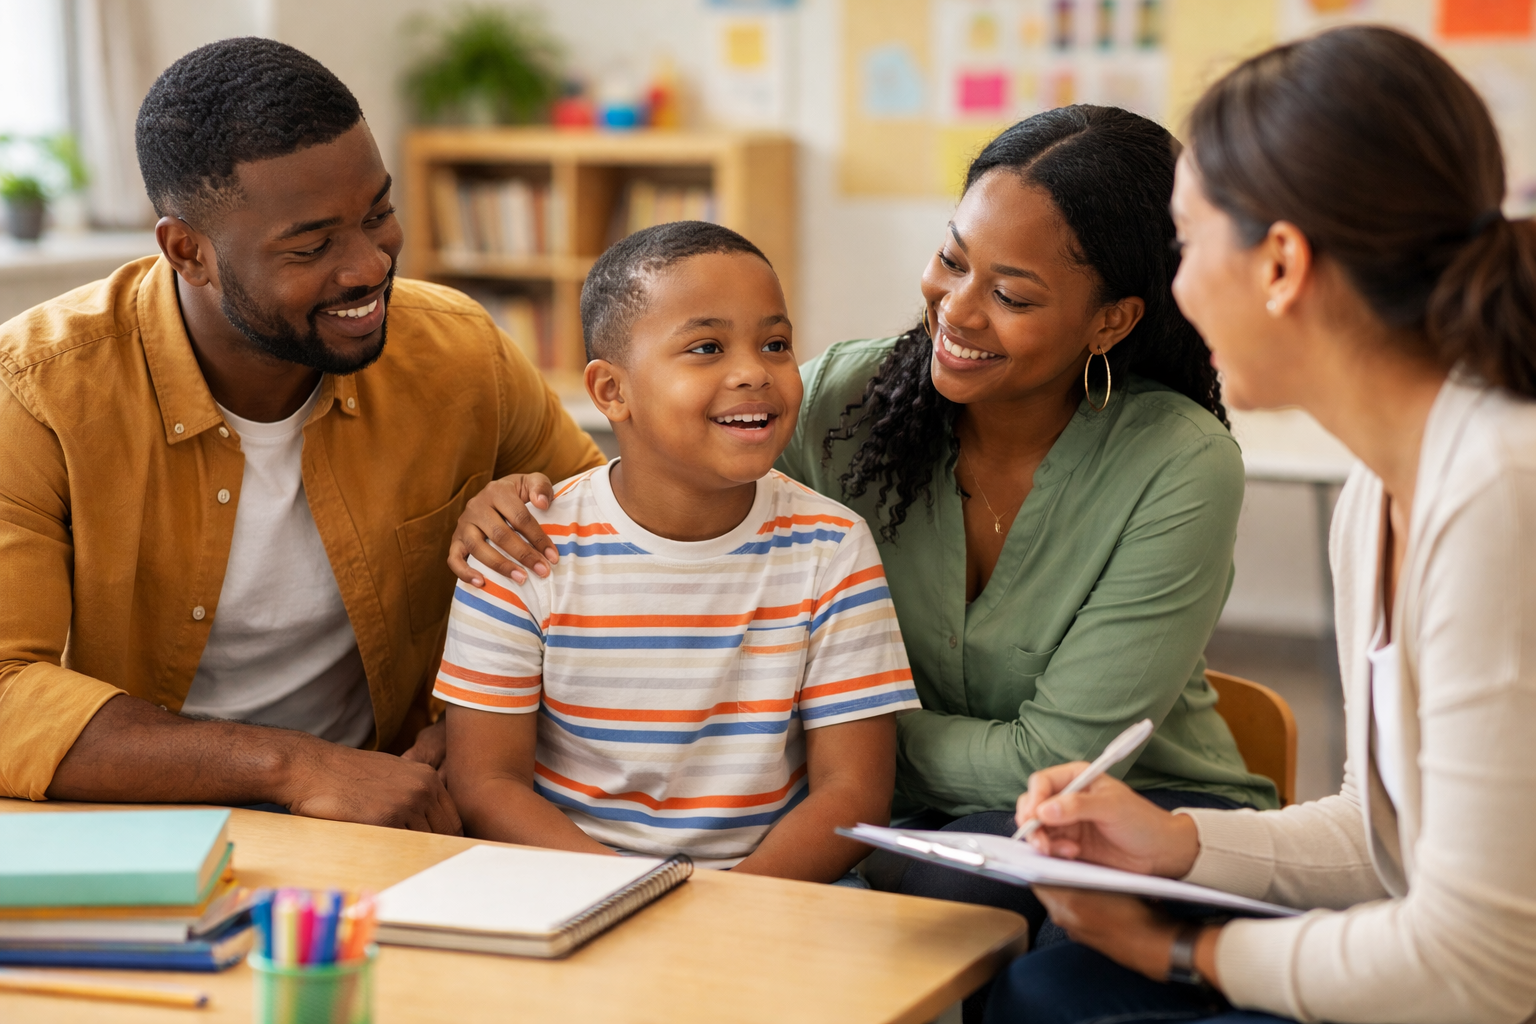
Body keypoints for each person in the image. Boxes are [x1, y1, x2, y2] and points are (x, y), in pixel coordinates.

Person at [447, 106, 1275, 947]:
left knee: (969, 931)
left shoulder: (1177, 463)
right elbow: (682, 485)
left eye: (1011, 294)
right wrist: (521, 505)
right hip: (899, 834)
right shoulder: (847, 399)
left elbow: (1044, 764)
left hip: (1126, 806)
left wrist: (850, 738)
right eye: (952, 259)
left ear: (1111, 320)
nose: (956, 309)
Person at [985, 26, 1536, 1024]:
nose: (1179, 290)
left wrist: (1182, 950)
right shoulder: (1383, 486)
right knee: (1044, 984)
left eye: (1189, 245)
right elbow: (1387, 838)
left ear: (1281, 263)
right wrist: (1174, 842)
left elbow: (1484, 965)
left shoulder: (1501, 489)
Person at [0, 38, 601, 830]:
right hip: (136, 822)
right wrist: (295, 766)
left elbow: (614, 561)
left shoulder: (460, 352)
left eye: (379, 213)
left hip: (399, 812)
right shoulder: (37, 391)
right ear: (189, 252)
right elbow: (8, 688)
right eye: (311, 246)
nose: (368, 266)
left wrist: (470, 726)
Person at [437, 221, 920, 880]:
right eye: (707, 347)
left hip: (769, 898)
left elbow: (853, 792)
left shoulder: (832, 548)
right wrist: (629, 892)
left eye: (775, 343)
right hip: (569, 886)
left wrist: (724, 909)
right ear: (612, 391)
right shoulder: (521, 545)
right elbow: (485, 783)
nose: (754, 371)